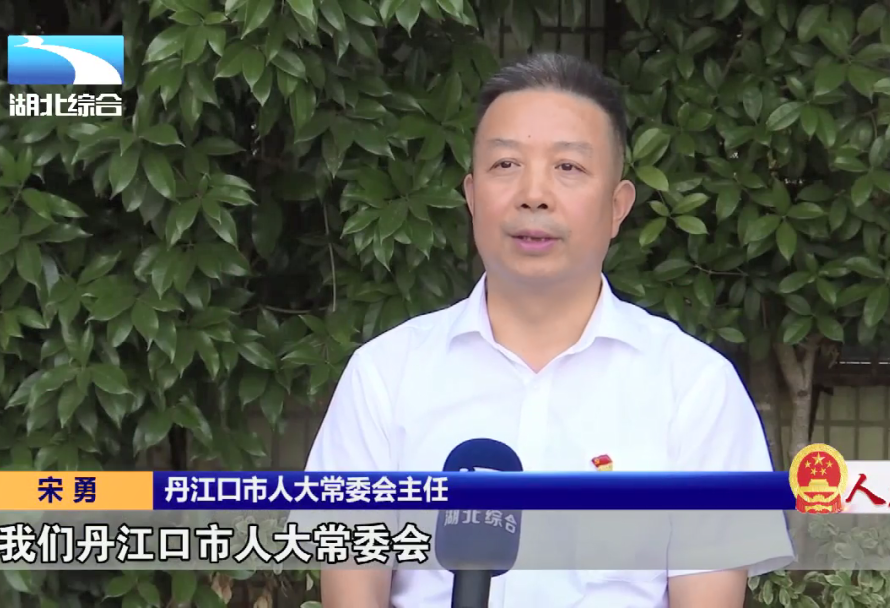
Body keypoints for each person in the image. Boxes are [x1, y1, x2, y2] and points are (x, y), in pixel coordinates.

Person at [304, 52, 794, 608]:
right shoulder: (385, 375)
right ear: (472, 197)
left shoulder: (695, 387)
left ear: (617, 206)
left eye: (568, 167)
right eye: (506, 164)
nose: (533, 194)